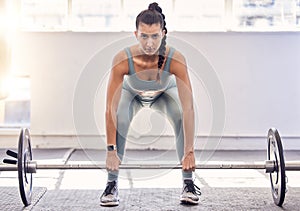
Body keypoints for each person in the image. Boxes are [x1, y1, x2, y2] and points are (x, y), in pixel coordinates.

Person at [100, 2, 201, 207]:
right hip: (133, 95)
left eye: (155, 36)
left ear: (163, 33)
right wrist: (111, 150)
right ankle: (111, 184)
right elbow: (110, 107)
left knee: (181, 115)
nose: (149, 43)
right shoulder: (122, 59)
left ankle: (188, 183)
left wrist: (189, 150)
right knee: (121, 116)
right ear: (135, 34)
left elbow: (189, 107)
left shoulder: (176, 59)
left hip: (164, 94)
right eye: (144, 36)